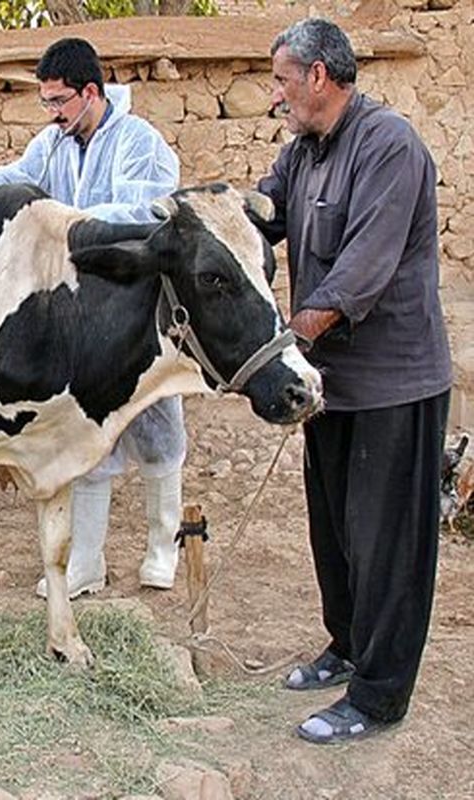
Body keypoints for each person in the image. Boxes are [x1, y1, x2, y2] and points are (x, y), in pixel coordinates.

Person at [255, 18, 451, 744]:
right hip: (330, 384)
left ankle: (378, 695)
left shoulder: (388, 146)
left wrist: (280, 341)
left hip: (395, 385)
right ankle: (346, 646)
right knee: (334, 531)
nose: (274, 95)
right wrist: (202, 222)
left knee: (387, 543)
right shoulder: (303, 152)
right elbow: (262, 211)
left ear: (317, 77)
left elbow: (359, 274)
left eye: (280, 79)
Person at [0, 37, 186, 599]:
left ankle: (164, 550)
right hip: (82, 314)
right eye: (46, 102)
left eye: (60, 101)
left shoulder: (141, 143)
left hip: (136, 308)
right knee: (89, 430)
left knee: (156, 426)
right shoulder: (54, 142)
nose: (53, 113)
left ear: (91, 92)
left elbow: (148, 210)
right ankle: (86, 563)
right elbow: (15, 178)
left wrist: (65, 219)